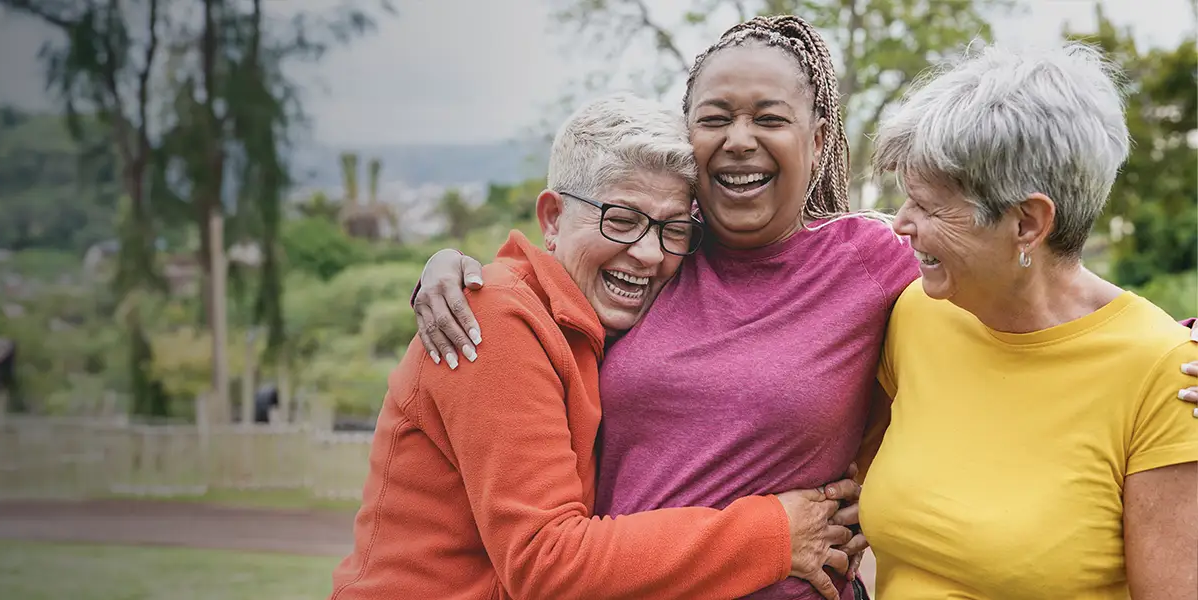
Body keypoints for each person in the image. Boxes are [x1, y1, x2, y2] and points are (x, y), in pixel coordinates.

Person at [405, 15, 1198, 599]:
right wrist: (452, 269)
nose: (740, 138)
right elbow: (548, 280)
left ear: (818, 143)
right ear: (690, 138)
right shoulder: (654, 255)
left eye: (770, 119)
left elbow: (1035, 288)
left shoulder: (881, 264)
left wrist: (1175, 346)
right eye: (714, 118)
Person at [330, 92, 863, 600]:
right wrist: (772, 535)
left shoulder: (602, 322)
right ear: (552, 218)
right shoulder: (493, 319)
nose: (649, 253)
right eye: (622, 220)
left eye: (672, 230)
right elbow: (545, 561)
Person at [857, 42, 1197, 599]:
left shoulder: (1168, 375)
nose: (900, 223)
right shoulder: (917, 313)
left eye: (929, 206)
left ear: (1027, 223)